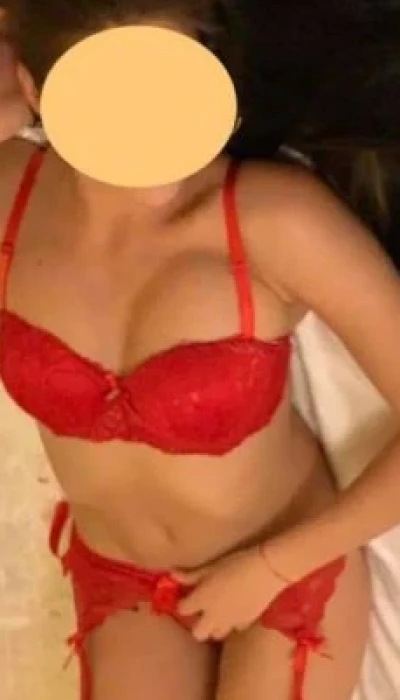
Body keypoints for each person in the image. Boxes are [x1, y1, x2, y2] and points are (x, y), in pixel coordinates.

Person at [7, 1, 400, 699]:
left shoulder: (278, 221)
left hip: (282, 567)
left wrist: (272, 568)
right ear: (38, 90)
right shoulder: (10, 191)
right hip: (118, 576)